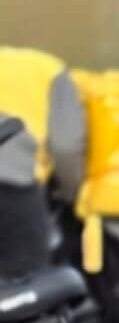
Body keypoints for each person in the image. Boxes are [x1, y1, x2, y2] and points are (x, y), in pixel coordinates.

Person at [0, 46, 86, 280]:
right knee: (25, 286)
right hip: (16, 190)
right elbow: (66, 148)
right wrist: (72, 195)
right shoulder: (52, 71)